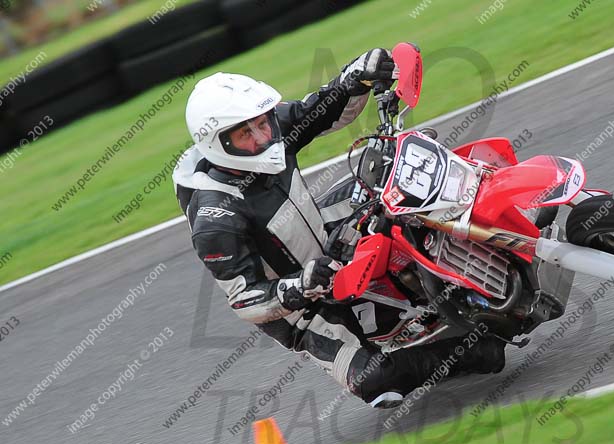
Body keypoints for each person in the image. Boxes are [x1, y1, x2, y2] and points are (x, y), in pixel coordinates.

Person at [172, 48, 505, 409]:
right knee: (378, 382)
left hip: (322, 234)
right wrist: (300, 287)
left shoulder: (265, 129)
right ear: (218, 144)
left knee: (394, 177)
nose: (261, 137)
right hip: (304, 310)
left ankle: (493, 230)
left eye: (262, 123)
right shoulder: (214, 218)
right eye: (244, 135)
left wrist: (355, 79)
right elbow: (245, 300)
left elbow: (314, 113)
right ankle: (469, 344)